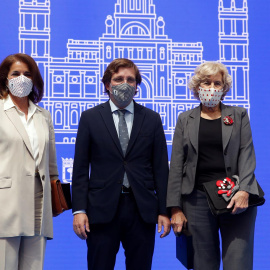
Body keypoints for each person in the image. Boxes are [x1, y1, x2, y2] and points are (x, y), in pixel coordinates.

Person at [72, 58, 170, 270]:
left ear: (136, 86)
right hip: (101, 210)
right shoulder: (90, 118)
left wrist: (164, 210)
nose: (124, 83)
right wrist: (79, 209)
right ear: (107, 85)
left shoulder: (152, 119)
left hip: (142, 210)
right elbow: (80, 169)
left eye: (130, 79)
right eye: (118, 79)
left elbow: (161, 169)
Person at [167, 61, 260, 270]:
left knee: (238, 264)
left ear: (224, 88)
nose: (211, 88)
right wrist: (175, 207)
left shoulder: (238, 115)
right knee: (203, 265)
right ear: (197, 87)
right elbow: (176, 166)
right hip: (197, 201)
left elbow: (247, 153)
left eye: (217, 83)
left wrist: (244, 190)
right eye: (206, 83)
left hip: (236, 199)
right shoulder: (185, 119)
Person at [0, 53, 59, 270]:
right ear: (5, 78)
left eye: (27, 74)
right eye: (15, 73)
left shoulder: (44, 115)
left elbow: (52, 166)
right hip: (5, 206)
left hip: (39, 207)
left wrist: (59, 198)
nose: (21, 78)